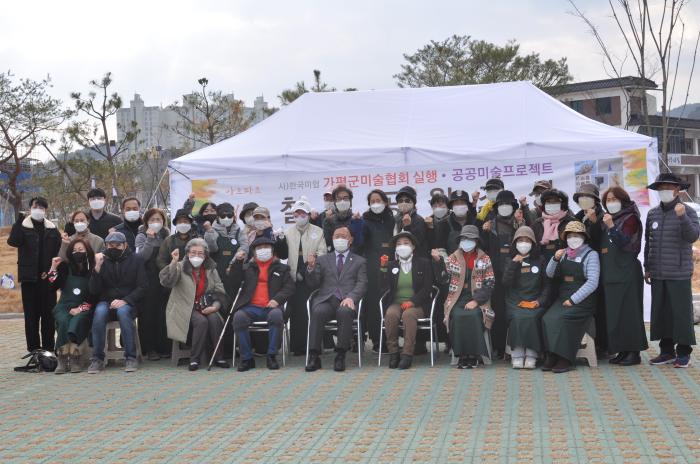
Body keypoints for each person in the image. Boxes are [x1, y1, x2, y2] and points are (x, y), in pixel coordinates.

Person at [645, 173, 699, 368]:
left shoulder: (688, 211)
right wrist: (647, 266)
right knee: (662, 313)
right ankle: (666, 351)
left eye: (668, 187)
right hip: (657, 273)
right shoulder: (652, 214)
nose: (664, 191)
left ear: (678, 190)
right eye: (661, 188)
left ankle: (684, 352)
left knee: (681, 314)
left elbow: (692, 236)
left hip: (679, 272)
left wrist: (682, 216)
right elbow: (648, 242)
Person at [159, 238, 230, 371]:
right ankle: (194, 359)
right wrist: (173, 262)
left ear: (205, 255)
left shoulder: (211, 269)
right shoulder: (180, 266)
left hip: (206, 305)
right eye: (193, 252)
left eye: (200, 253)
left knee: (215, 319)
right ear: (187, 253)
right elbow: (166, 282)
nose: (196, 256)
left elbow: (220, 291)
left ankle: (219, 356)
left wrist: (215, 306)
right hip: (183, 307)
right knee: (201, 321)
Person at [305, 226, 368, 372]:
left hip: (347, 300)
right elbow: (313, 283)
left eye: (343, 236)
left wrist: (351, 297)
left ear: (350, 240)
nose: (339, 239)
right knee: (317, 312)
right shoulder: (322, 259)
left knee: (344, 312)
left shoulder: (359, 261)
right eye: (336, 236)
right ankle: (314, 356)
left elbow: (362, 283)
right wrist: (311, 268)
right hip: (326, 300)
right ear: (332, 239)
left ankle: (340, 355)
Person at [228, 237, 295, 371]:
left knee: (276, 316)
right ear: (254, 252)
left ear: (272, 250)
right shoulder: (246, 268)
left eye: (266, 247)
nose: (263, 250)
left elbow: (289, 288)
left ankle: (271, 356)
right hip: (250, 307)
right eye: (259, 248)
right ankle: (247, 358)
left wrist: (277, 300)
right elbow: (233, 282)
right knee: (238, 317)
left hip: (272, 307)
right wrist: (238, 262)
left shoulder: (282, 268)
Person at [541, 221, 600, 374]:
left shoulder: (591, 255)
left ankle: (565, 357)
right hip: (563, 297)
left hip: (583, 300)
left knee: (563, 319)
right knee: (547, 318)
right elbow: (549, 274)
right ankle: (552, 354)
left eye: (576, 235)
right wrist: (554, 259)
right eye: (570, 236)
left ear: (583, 237)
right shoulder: (564, 253)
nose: (573, 239)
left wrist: (574, 299)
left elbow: (592, 282)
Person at [7, 197, 62, 354]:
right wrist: (19, 221)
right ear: (30, 208)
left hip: (48, 279)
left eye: (42, 208)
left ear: (45, 210)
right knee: (31, 317)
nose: (38, 210)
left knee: (48, 316)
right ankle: (34, 350)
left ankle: (48, 349)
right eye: (35, 207)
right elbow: (13, 241)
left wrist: (52, 271)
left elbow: (59, 251)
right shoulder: (23, 227)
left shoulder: (52, 229)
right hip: (29, 279)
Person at [600, 187, 648, 366]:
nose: (611, 203)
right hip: (611, 274)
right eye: (608, 200)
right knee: (616, 314)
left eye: (614, 199)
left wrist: (612, 226)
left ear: (623, 200)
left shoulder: (630, 218)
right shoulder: (607, 219)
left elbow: (624, 242)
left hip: (627, 272)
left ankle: (633, 353)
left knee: (630, 313)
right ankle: (622, 350)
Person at [87, 232, 147, 373]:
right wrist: (97, 268)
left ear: (125, 245)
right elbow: (93, 290)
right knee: (99, 313)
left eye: (117, 245)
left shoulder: (136, 259)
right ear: (106, 245)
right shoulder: (101, 259)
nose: (113, 248)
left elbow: (143, 286)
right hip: (106, 301)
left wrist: (125, 300)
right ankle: (97, 359)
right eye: (110, 245)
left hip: (128, 301)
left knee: (123, 313)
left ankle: (130, 357)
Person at [480, 190, 526, 356]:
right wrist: (483, 231)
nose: (504, 207)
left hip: (516, 272)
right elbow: (483, 247)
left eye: (508, 204)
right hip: (495, 273)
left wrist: (521, 223)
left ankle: (517, 345)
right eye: (501, 204)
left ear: (513, 206)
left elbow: (528, 240)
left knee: (514, 307)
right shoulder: (490, 225)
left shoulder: (520, 223)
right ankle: (499, 346)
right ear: (496, 207)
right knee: (498, 308)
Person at [442, 225, 495, 369]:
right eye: (464, 238)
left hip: (479, 299)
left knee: (474, 315)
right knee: (457, 316)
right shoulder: (452, 258)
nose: (467, 241)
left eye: (470, 239)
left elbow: (490, 283)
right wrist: (437, 263)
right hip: (456, 299)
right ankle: (462, 355)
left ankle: (474, 355)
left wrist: (476, 301)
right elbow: (443, 279)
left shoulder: (484, 258)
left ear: (476, 241)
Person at [379, 232, 434, 369]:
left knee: (408, 315)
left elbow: (427, 288)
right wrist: (383, 269)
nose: (402, 246)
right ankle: (393, 353)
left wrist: (413, 301)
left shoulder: (423, 263)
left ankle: (407, 354)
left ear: (413, 246)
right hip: (396, 303)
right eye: (398, 244)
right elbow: (383, 288)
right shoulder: (391, 265)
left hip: (417, 305)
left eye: (406, 243)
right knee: (390, 314)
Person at [279, 197, 327, 356]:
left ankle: (313, 345)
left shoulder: (318, 231)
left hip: (311, 276)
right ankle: (298, 347)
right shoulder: (288, 232)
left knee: (311, 311)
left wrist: (313, 261)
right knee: (297, 312)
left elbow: (323, 252)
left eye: (303, 214)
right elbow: (283, 254)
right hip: (293, 277)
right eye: (297, 214)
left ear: (308, 214)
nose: (300, 217)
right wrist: (279, 240)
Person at [502, 226, 551, 369]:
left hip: (534, 300)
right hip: (515, 301)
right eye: (520, 240)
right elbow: (505, 283)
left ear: (533, 243)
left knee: (531, 317)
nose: (524, 244)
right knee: (518, 317)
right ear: (515, 243)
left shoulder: (540, 260)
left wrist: (540, 301)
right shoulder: (510, 260)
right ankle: (517, 354)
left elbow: (547, 285)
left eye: (527, 240)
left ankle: (532, 354)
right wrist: (514, 264)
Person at [49, 238, 97, 374]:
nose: (78, 252)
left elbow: (95, 294)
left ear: (87, 251)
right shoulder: (65, 267)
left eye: (81, 250)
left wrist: (80, 308)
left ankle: (76, 356)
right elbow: (51, 286)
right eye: (75, 250)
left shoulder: (92, 269)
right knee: (64, 320)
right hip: (64, 306)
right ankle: (62, 357)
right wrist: (53, 268)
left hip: (84, 306)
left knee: (77, 320)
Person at [573, 183, 607, 355]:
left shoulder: (603, 216)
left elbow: (603, 240)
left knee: (601, 307)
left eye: (587, 197)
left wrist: (595, 223)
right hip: (580, 266)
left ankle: (603, 345)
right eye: (581, 197)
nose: (584, 200)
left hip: (600, 265)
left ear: (595, 199)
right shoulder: (578, 216)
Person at [135, 208, 171, 361]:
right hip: (147, 279)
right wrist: (149, 239)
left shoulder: (167, 236)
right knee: (148, 314)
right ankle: (149, 348)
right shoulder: (141, 236)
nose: (156, 222)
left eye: (158, 220)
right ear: (146, 222)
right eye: (152, 220)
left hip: (164, 279)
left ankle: (164, 347)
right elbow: (140, 257)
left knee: (163, 314)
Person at [361, 189, 395, 353]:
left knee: (391, 302)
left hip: (392, 265)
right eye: (372, 202)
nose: (376, 204)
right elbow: (361, 242)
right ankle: (377, 340)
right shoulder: (364, 221)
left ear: (385, 202)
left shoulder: (392, 219)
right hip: (372, 268)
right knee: (375, 304)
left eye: (378, 201)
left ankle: (392, 339)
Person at [203, 202, 249, 296]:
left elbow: (244, 247)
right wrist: (209, 232)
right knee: (218, 298)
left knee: (233, 297)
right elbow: (212, 249)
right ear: (217, 217)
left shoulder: (239, 231)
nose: (226, 218)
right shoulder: (212, 230)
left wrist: (233, 263)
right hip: (216, 273)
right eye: (223, 216)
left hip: (235, 273)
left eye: (229, 216)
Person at [532, 189, 575, 264]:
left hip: (565, 264)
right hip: (542, 266)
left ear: (562, 204)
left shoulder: (571, 222)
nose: (552, 204)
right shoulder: (537, 223)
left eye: (555, 202)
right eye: (548, 202)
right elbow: (532, 246)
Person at [321, 184, 364, 253]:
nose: (342, 201)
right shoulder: (328, 221)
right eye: (339, 199)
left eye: (345, 198)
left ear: (350, 201)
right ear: (335, 202)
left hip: (354, 257)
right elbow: (327, 244)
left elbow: (360, 244)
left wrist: (356, 223)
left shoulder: (357, 220)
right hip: (335, 257)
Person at [435, 190, 477, 254]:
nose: (459, 206)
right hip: (451, 259)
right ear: (452, 206)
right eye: (456, 203)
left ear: (467, 205)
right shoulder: (443, 224)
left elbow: (483, 245)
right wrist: (447, 260)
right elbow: (441, 248)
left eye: (462, 203)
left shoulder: (476, 222)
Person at [393, 186, 428, 256]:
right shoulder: (395, 219)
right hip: (398, 257)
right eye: (400, 201)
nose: (403, 203)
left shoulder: (419, 220)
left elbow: (418, 242)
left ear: (413, 203)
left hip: (415, 258)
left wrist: (408, 226)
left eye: (407, 200)